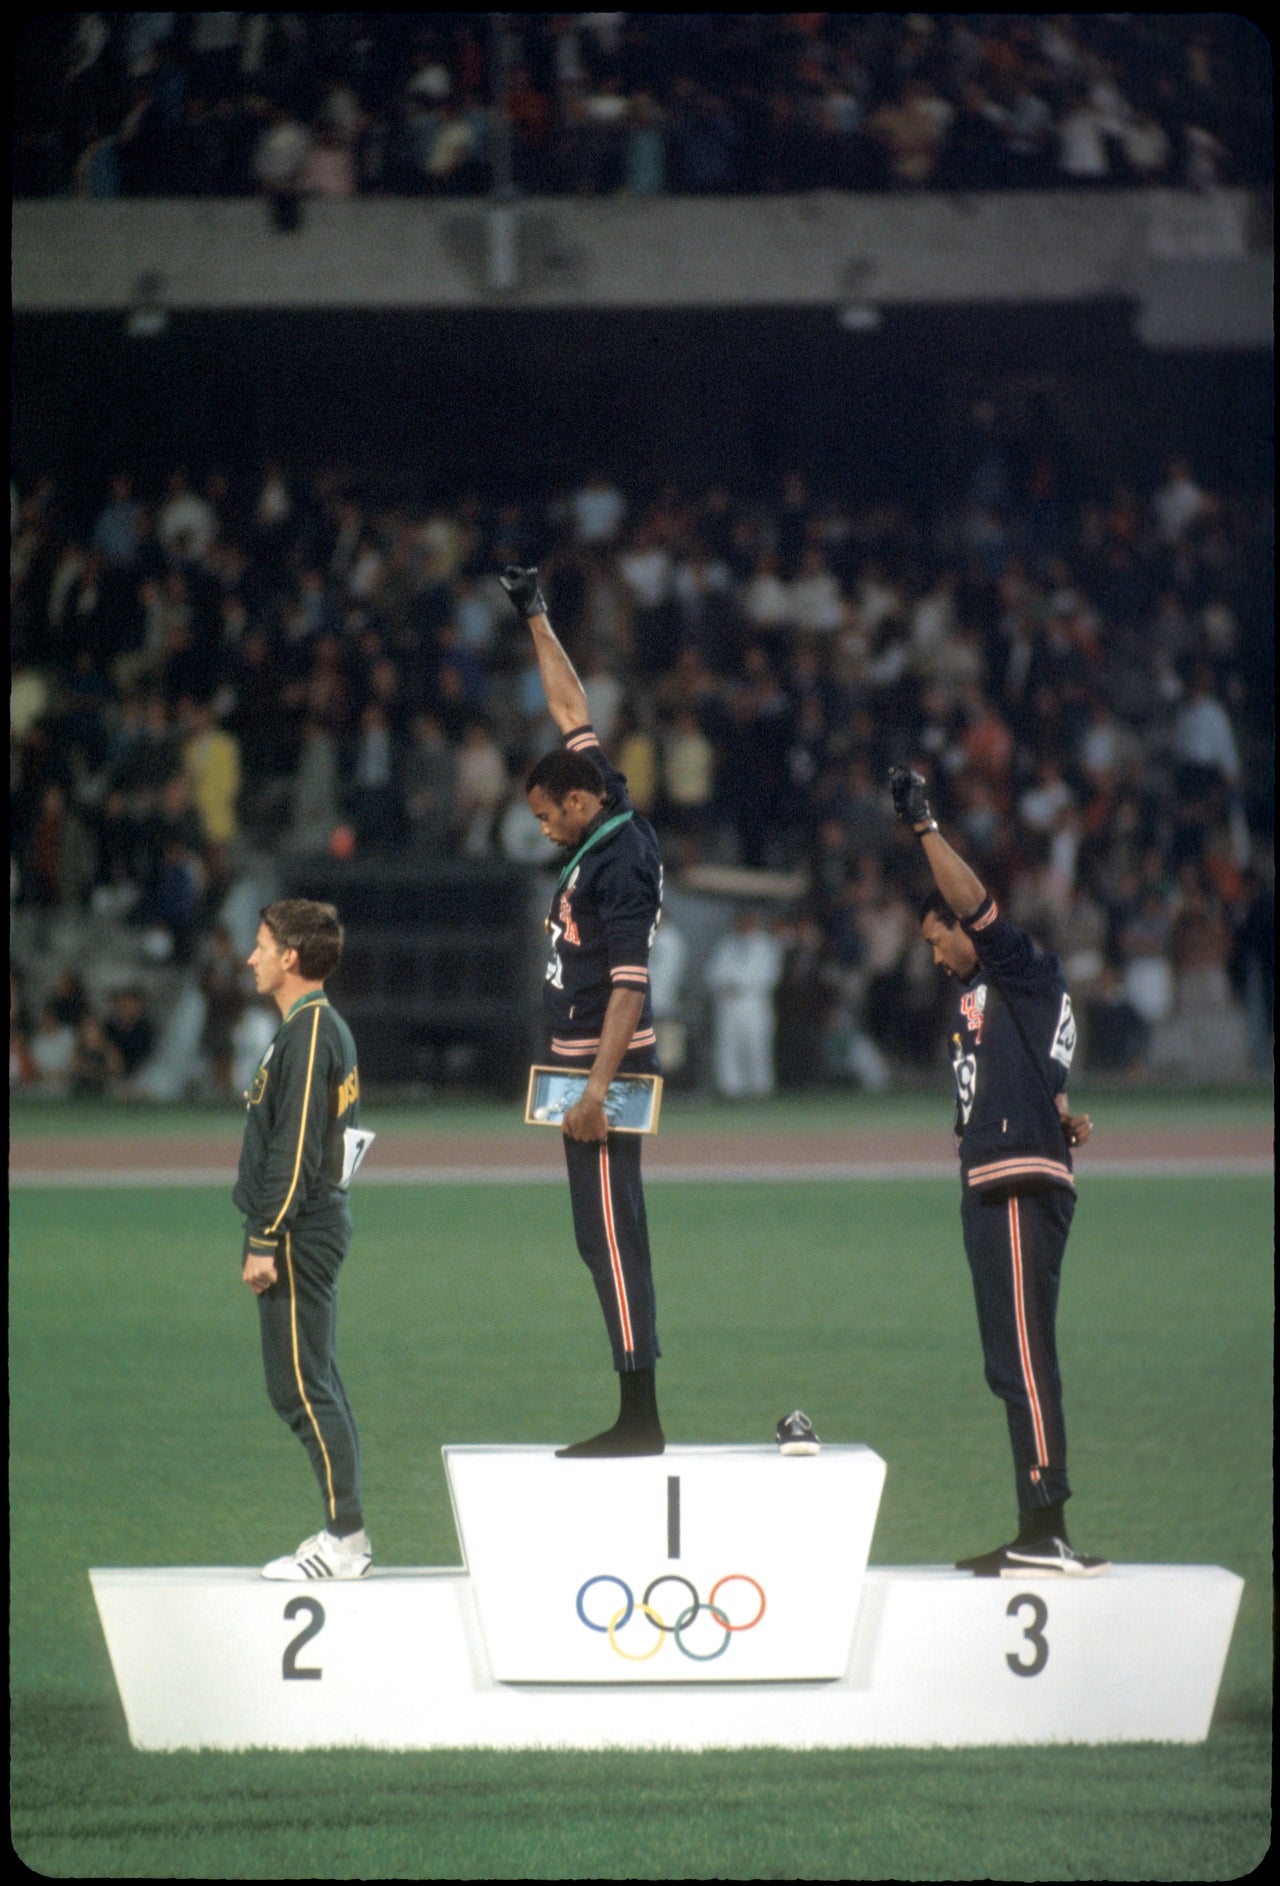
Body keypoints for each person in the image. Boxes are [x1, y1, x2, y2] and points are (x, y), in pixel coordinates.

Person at [889, 765, 1109, 1578]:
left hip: (1017, 1183)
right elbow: (1037, 1070)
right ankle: (1033, 1525)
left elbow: (975, 903)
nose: (938, 954)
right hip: (996, 1177)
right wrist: (1058, 1111)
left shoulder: (1018, 967)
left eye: (937, 936)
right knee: (1006, 1361)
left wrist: (923, 827)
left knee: (1024, 1355)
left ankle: (1048, 1531)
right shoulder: (995, 997)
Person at [500, 564, 665, 1459]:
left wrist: (596, 1090)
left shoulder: (620, 861)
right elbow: (571, 709)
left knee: (612, 1230)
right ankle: (635, 1405)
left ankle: (639, 1416)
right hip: (581, 1062)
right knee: (595, 1234)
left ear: (576, 802)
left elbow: (631, 983)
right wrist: (536, 614)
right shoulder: (600, 795)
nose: (542, 829)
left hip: (606, 1065)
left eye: (544, 816)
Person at [234, 898, 371, 1579]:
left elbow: (292, 1152)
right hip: (306, 1224)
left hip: (297, 1229)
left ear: (290, 957)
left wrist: (264, 1236)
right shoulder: (311, 1027)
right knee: (312, 1382)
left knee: (301, 1389)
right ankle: (345, 1533)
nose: (250, 956)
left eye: (261, 945)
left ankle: (345, 1540)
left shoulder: (311, 1030)